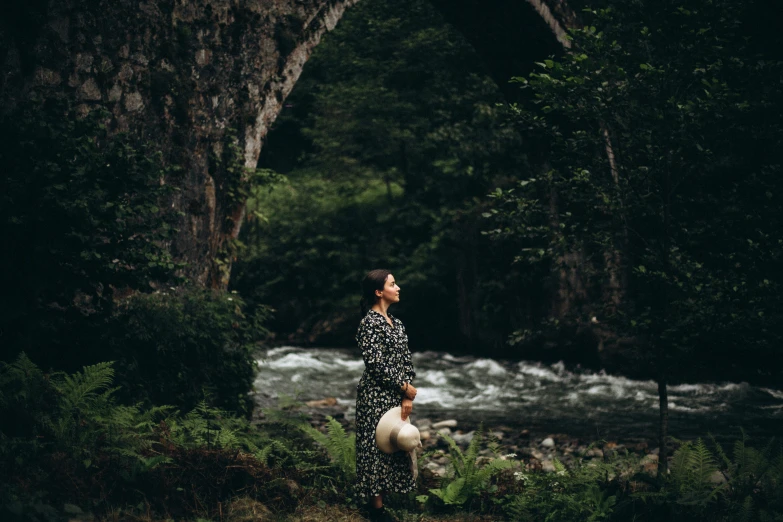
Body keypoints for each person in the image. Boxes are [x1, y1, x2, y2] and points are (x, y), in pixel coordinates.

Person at [355, 269, 418, 522]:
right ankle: (376, 509)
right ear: (379, 292)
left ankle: (383, 503)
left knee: (394, 442)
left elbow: (406, 361)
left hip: (395, 394)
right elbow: (375, 364)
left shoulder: (398, 323)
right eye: (393, 284)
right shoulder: (369, 323)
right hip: (374, 396)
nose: (398, 287)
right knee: (374, 448)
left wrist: (406, 395)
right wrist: (404, 388)